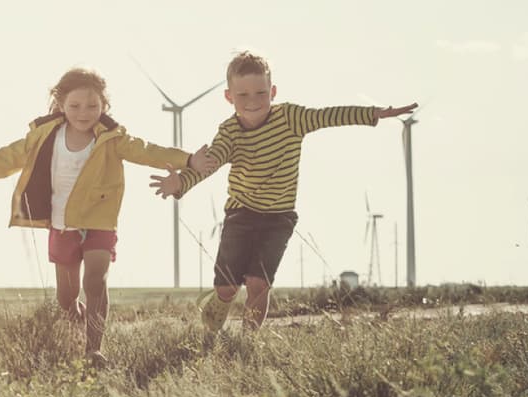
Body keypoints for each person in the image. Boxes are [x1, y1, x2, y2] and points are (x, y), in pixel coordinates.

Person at [0, 67, 213, 366]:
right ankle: (78, 320)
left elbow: (148, 151)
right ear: (61, 104)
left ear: (104, 106)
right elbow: (5, 158)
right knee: (66, 299)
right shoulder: (43, 136)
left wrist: (188, 160)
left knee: (96, 281)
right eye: (76, 106)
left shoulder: (112, 139)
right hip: (62, 225)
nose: (85, 112)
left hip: (99, 222)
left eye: (93, 106)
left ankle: (94, 349)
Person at [151, 51, 416, 331]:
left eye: (260, 93)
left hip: (279, 218)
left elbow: (329, 116)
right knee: (228, 286)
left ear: (273, 91)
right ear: (229, 97)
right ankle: (217, 307)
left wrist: (373, 113)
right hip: (240, 214)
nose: (253, 102)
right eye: (243, 95)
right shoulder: (230, 131)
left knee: (258, 283)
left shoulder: (291, 118)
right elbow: (210, 162)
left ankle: (248, 339)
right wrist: (181, 182)